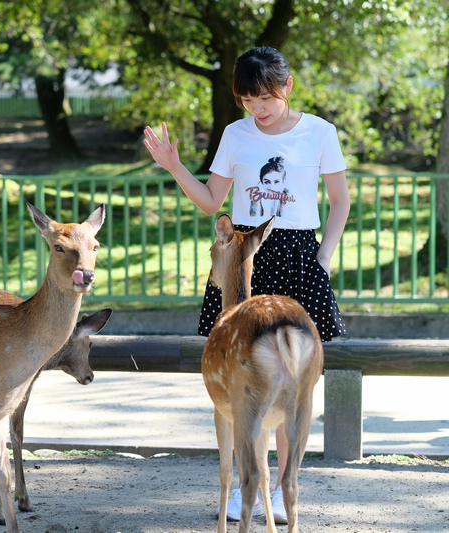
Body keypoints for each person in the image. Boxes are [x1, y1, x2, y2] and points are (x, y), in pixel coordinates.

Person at [143, 45, 351, 524]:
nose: (257, 109)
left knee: (289, 383)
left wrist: (323, 256)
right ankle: (245, 487)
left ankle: (279, 491)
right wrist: (175, 166)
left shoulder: (320, 132)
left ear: (287, 86)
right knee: (242, 380)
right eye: (247, 101)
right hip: (244, 255)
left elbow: (339, 201)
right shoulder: (236, 135)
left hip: (299, 256)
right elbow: (212, 199)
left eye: (265, 99)